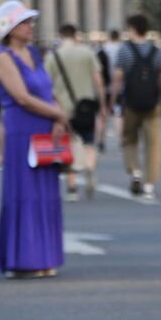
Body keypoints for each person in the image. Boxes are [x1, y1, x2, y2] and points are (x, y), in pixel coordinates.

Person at [0, 0, 67, 278]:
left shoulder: (34, 54)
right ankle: (23, 259)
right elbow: (22, 97)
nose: (30, 26)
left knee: (45, 194)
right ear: (10, 28)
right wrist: (59, 115)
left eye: (30, 21)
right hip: (21, 131)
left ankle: (44, 257)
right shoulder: (3, 57)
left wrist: (58, 116)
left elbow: (47, 89)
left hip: (45, 129)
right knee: (24, 194)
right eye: (24, 22)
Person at [111, 13, 161, 201]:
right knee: (153, 144)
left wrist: (113, 100)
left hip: (131, 103)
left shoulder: (125, 50)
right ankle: (150, 184)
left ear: (133, 29)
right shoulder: (157, 51)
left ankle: (135, 170)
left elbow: (118, 77)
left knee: (129, 139)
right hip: (152, 103)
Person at [45, 23, 105, 200]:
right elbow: (98, 80)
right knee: (89, 142)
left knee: (69, 145)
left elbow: (46, 83)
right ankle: (90, 167)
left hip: (63, 107)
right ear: (75, 35)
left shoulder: (53, 56)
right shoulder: (87, 52)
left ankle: (72, 187)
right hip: (86, 105)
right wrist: (102, 103)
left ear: (61, 36)